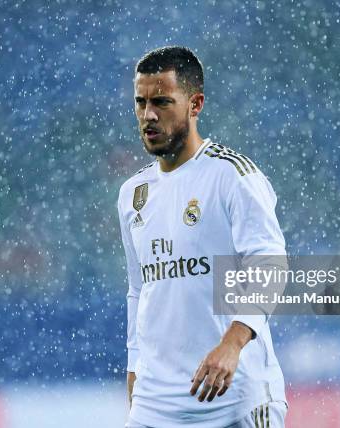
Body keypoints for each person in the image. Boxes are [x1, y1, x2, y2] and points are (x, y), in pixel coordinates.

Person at [117, 46, 288, 428]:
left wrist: (233, 342)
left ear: (195, 105)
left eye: (162, 101)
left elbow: (271, 264)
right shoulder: (133, 193)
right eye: (140, 102)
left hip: (235, 401)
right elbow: (138, 289)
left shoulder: (232, 175)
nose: (148, 115)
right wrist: (134, 369)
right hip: (156, 407)